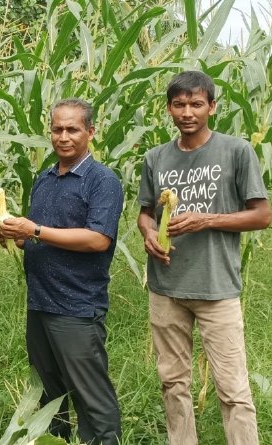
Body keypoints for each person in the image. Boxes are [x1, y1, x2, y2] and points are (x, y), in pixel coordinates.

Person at [137, 70, 270, 445]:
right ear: (168, 109)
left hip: (216, 289)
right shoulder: (156, 158)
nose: (187, 112)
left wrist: (206, 219)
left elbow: (262, 215)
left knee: (233, 389)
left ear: (212, 107)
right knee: (173, 382)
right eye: (179, 104)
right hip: (166, 286)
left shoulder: (236, 151)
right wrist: (148, 233)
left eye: (196, 103)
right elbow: (145, 212)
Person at [0, 99, 123, 445]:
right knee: (49, 391)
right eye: (57, 129)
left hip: (77, 306)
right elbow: (43, 238)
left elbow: (97, 239)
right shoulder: (45, 178)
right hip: (40, 302)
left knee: (90, 393)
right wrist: (15, 237)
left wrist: (33, 230)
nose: (63, 136)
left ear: (90, 132)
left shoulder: (102, 180)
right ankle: (56, 439)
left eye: (72, 129)